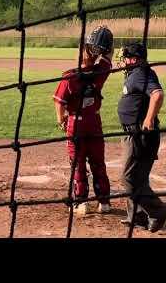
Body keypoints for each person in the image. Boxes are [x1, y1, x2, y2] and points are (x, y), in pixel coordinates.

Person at [53, 26, 114, 215]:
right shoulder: (101, 72)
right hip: (95, 122)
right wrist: (103, 43)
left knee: (78, 163)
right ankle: (104, 203)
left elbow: (59, 102)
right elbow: (108, 57)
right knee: (98, 162)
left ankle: (81, 202)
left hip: (76, 123)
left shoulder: (70, 77)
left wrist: (60, 119)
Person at [117, 41, 166, 233]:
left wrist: (148, 119)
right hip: (132, 133)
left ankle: (159, 212)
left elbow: (157, 94)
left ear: (135, 59)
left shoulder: (142, 74)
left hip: (141, 135)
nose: (122, 61)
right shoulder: (135, 73)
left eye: (125, 58)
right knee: (139, 177)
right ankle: (136, 215)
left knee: (128, 179)